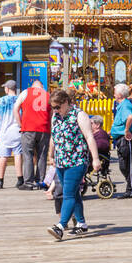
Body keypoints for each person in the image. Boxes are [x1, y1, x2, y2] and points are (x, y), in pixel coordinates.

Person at [47, 89, 101, 240]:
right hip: (61, 160)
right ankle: (82, 224)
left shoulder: (79, 115)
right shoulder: (56, 117)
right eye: (53, 107)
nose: (56, 110)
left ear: (66, 102)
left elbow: (89, 137)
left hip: (77, 160)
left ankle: (60, 226)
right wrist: (51, 154)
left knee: (68, 193)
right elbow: (54, 136)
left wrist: (95, 158)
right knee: (73, 192)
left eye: (58, 106)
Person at [16, 78, 51, 191]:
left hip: (28, 128)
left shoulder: (25, 92)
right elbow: (52, 113)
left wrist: (20, 124)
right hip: (44, 129)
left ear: (33, 86)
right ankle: (40, 181)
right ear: (42, 86)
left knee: (28, 156)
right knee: (42, 156)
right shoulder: (47, 95)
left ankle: (28, 182)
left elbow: (15, 108)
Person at [0, 80, 22, 189]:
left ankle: (0, 180)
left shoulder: (1, 100)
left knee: (3, 156)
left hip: (5, 132)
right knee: (18, 154)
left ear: (8, 88)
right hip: (17, 130)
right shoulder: (20, 99)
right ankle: (20, 179)